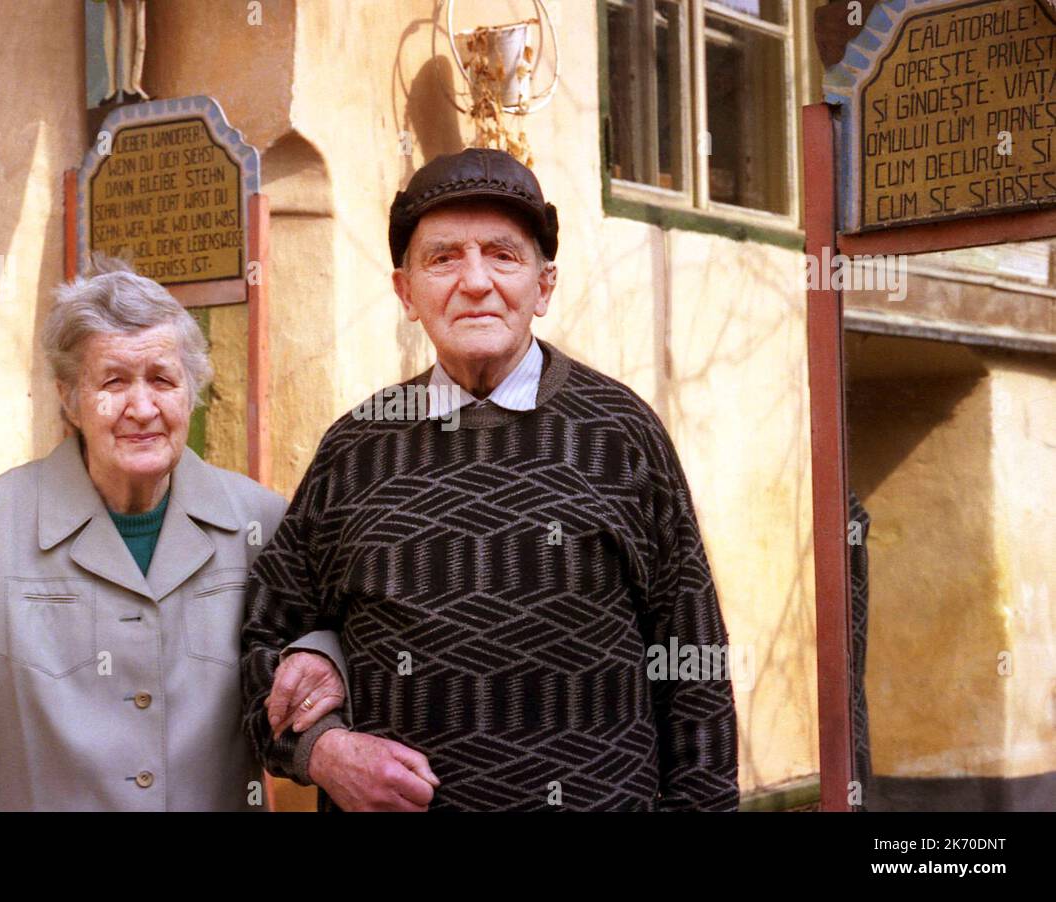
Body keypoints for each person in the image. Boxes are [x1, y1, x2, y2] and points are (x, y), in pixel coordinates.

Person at [241, 148, 739, 811]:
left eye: (502, 255)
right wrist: (322, 752)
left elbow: (693, 666)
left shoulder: (622, 436)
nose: (474, 281)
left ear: (544, 285)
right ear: (405, 292)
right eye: (443, 258)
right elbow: (262, 641)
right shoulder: (354, 451)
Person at [0, 256, 345, 811]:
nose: (142, 407)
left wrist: (326, 657)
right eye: (113, 382)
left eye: (162, 379)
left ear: (190, 393)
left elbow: (328, 639)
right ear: (69, 398)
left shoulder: (259, 520)